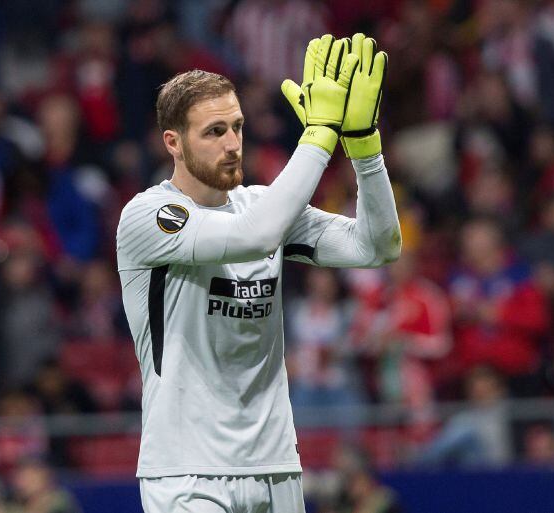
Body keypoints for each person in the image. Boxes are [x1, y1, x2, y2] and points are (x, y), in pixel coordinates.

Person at [115, 34, 400, 512]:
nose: (231, 144)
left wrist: (364, 149)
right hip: (188, 473)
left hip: (276, 468)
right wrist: (319, 134)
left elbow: (377, 246)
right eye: (213, 132)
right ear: (174, 142)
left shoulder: (262, 205)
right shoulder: (151, 216)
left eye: (238, 127)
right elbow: (254, 236)